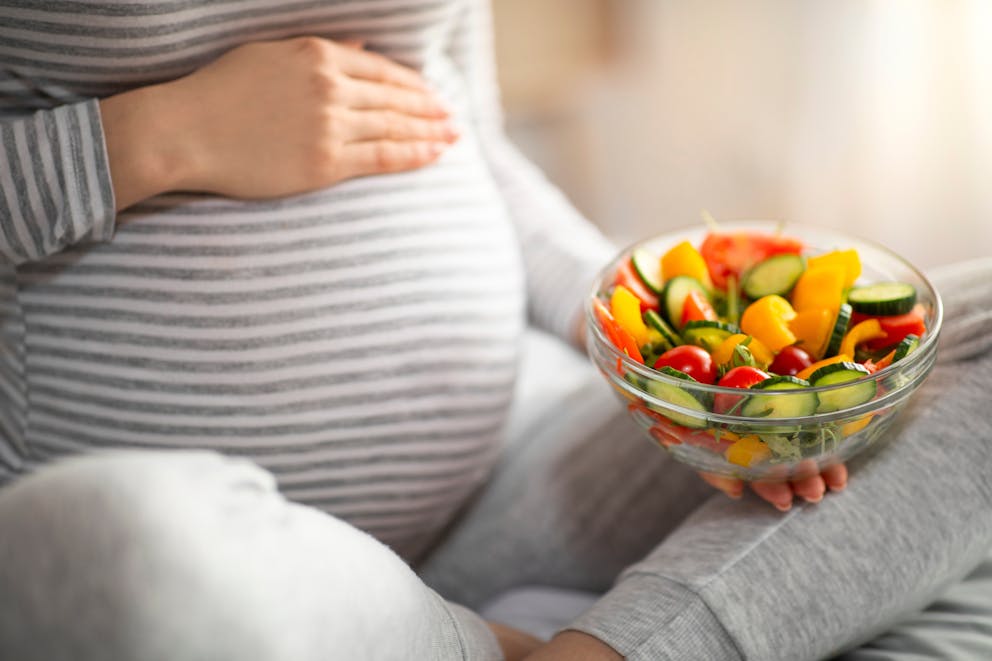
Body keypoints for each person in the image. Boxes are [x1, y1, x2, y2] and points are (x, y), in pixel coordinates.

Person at [0, 1, 990, 659]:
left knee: (968, 340)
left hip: (512, 478)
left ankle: (592, 649)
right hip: (226, 537)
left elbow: (453, 131)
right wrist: (153, 139)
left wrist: (657, 370)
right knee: (116, 544)